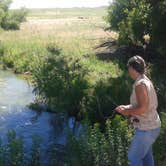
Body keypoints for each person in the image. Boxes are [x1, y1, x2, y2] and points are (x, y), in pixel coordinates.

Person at [115, 55, 161, 166]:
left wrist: (127, 112)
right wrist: (127, 107)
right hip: (153, 126)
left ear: (132, 68)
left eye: (129, 68)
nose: (128, 71)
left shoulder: (140, 85)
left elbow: (143, 108)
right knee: (146, 157)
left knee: (134, 157)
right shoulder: (144, 79)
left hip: (146, 129)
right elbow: (142, 104)